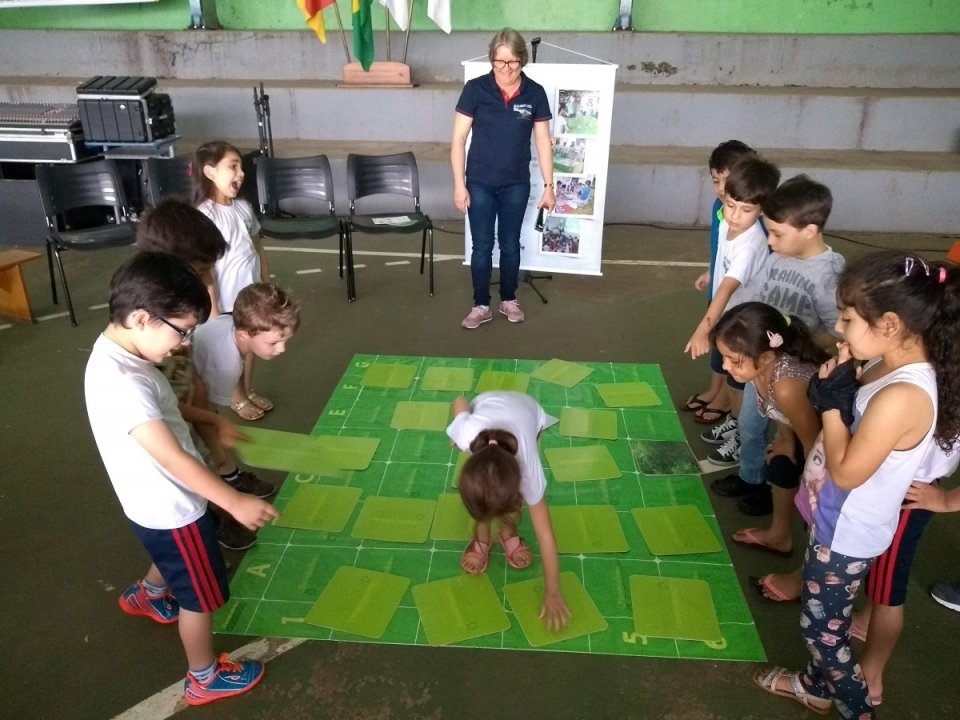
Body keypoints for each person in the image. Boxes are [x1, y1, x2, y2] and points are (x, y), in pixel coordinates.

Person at [754, 251, 960, 719]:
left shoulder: (903, 395)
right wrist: (844, 385)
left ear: (890, 323)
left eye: (847, 318)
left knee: (821, 632)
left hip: (847, 532)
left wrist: (831, 405)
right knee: (825, 618)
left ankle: (857, 708)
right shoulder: (886, 362)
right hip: (835, 516)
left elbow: (848, 472)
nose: (838, 328)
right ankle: (814, 687)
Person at [84, 252, 279, 706]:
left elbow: (165, 410)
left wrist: (210, 419)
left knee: (172, 556)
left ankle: (149, 594)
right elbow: (173, 459)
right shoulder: (125, 383)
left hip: (149, 506)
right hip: (172, 508)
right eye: (182, 330)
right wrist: (233, 500)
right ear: (141, 317)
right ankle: (203, 676)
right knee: (200, 597)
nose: (184, 343)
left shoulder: (122, 356)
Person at [711, 175, 844, 525]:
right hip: (763, 364)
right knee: (750, 426)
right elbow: (753, 293)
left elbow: (840, 332)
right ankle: (751, 478)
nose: (770, 241)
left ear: (810, 230)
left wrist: (792, 345)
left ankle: (791, 493)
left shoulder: (828, 275)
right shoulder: (779, 256)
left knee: (793, 439)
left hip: (792, 372)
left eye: (777, 234)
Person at [451, 28, 555, 329]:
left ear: (522, 60)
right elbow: (458, 140)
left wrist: (549, 187)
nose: (506, 69)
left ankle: (509, 299)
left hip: (515, 184)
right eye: (499, 62)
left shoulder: (535, 93)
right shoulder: (475, 90)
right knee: (482, 246)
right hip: (479, 182)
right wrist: (459, 185)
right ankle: (480, 305)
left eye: (512, 62)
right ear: (491, 60)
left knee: (510, 244)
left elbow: (543, 143)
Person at [708, 303, 826, 564]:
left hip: (827, 446)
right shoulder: (758, 370)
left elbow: (815, 447)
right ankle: (780, 536)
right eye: (723, 357)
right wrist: (785, 438)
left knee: (818, 511)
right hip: (805, 432)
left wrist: (813, 490)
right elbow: (779, 411)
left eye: (733, 360)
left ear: (767, 357)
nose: (726, 366)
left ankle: (814, 562)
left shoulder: (787, 385)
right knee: (780, 462)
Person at [844, 442, 959, 706]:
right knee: (879, 569)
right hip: (900, 482)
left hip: (911, 491)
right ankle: (866, 621)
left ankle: (871, 678)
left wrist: (946, 501)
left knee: (888, 591)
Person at [446, 391, 571, 630]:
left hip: (529, 413)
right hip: (487, 405)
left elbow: (546, 535)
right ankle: (482, 539)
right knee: (485, 499)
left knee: (509, 504)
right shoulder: (465, 434)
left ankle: (508, 533)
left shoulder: (528, 473)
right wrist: (457, 427)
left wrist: (553, 591)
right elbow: (460, 400)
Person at [685, 155, 781, 467]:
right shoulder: (727, 223)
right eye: (730, 205)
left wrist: (702, 330)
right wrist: (711, 273)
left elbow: (727, 289)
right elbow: (722, 264)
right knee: (731, 379)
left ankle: (742, 437)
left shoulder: (750, 245)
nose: (735, 215)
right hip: (729, 321)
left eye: (746, 210)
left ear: (762, 209)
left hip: (745, 329)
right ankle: (736, 423)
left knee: (741, 384)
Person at [193, 140, 272, 421]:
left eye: (241, 167)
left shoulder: (243, 208)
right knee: (232, 351)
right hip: (225, 299)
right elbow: (206, 266)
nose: (241, 174)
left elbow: (257, 247)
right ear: (210, 172)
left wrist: (266, 283)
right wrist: (213, 307)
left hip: (250, 293)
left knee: (250, 344)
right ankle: (236, 398)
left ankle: (247, 391)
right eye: (233, 167)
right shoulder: (205, 215)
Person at [683, 140, 757, 423]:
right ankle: (715, 390)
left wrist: (701, 330)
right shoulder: (722, 206)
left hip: (736, 302)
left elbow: (734, 277)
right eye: (716, 181)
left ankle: (726, 399)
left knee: (728, 348)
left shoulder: (748, 225)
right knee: (718, 346)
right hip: (719, 287)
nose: (722, 188)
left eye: (728, 180)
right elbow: (722, 249)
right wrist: (711, 270)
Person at [192, 283, 300, 441]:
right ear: (244, 335)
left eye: (285, 341)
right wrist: (216, 449)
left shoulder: (229, 323)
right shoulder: (226, 367)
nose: (282, 349)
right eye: (273, 343)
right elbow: (203, 410)